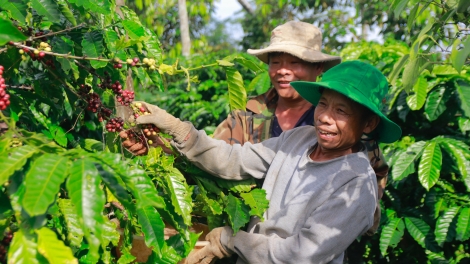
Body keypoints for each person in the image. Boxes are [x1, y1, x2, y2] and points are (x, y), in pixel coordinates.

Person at [121, 21, 389, 234]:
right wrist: (162, 143)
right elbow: (216, 161)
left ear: (318, 67)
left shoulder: (347, 136)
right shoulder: (249, 118)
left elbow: (363, 206)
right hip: (244, 235)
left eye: (295, 62)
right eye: (275, 62)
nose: (283, 71)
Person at [131, 60, 402, 264]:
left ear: (368, 122)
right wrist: (179, 129)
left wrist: (234, 239)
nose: (325, 117)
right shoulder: (298, 139)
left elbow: (300, 255)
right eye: (323, 105)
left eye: (341, 111)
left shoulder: (357, 186)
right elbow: (234, 160)